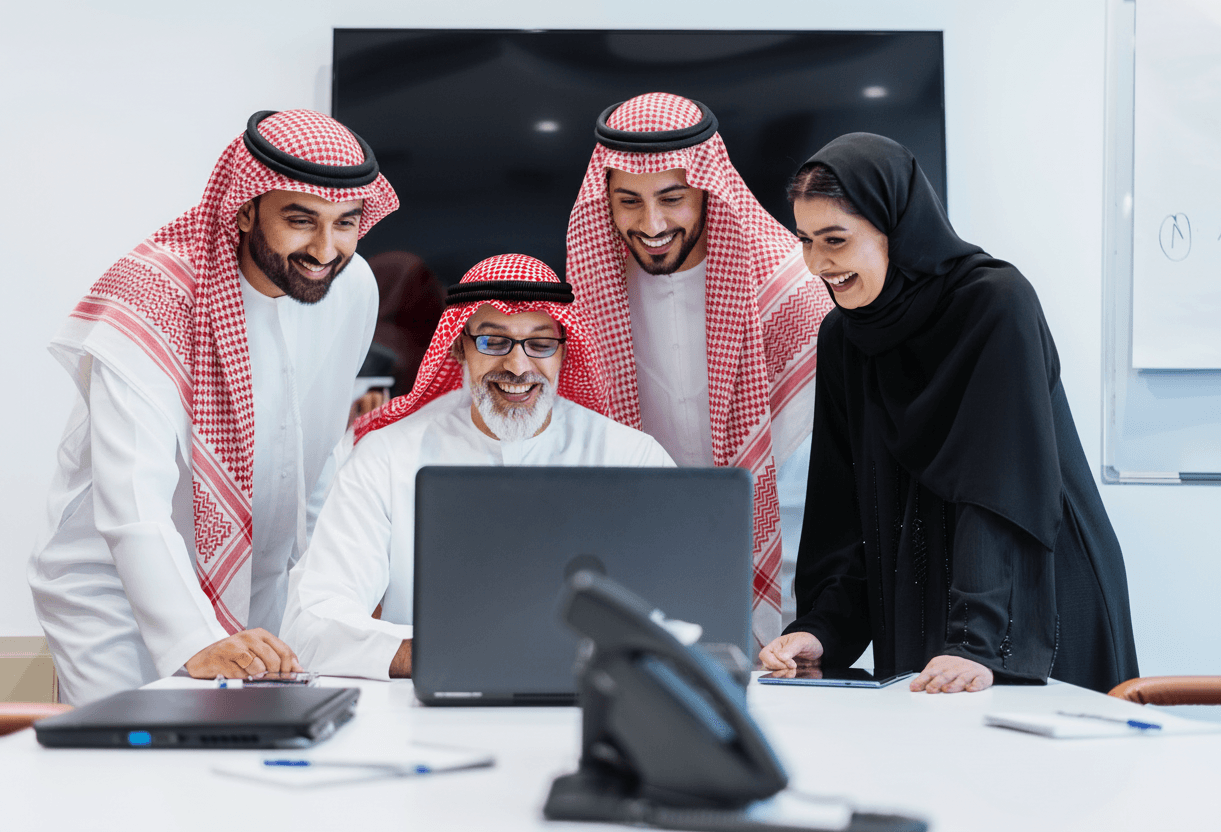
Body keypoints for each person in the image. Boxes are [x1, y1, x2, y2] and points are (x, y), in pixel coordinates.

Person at [28, 109, 399, 705]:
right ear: (247, 206)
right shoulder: (151, 298)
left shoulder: (350, 287)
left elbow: (321, 454)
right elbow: (134, 503)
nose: (325, 250)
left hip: (262, 585)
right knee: (134, 773)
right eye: (301, 221)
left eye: (345, 224)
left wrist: (326, 594)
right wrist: (194, 639)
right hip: (119, 595)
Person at [758, 133, 1139, 694]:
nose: (817, 265)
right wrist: (821, 628)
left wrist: (975, 640)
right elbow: (845, 512)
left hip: (1029, 591)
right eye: (806, 241)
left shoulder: (994, 303)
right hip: (922, 589)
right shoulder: (843, 335)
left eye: (835, 240)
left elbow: (1001, 488)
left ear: (896, 228)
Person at [281, 254, 675, 680]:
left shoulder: (632, 458)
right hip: (429, 715)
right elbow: (311, 624)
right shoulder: (387, 456)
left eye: (540, 343)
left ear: (565, 351)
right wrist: (449, 653)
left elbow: (686, 607)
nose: (518, 366)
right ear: (458, 347)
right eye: (493, 341)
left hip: (597, 704)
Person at [566, 92, 833, 646]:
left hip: (784, 558)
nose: (652, 223)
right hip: (644, 543)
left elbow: (811, 465)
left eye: (672, 197)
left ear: (707, 191)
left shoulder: (791, 292)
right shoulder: (590, 294)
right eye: (628, 201)